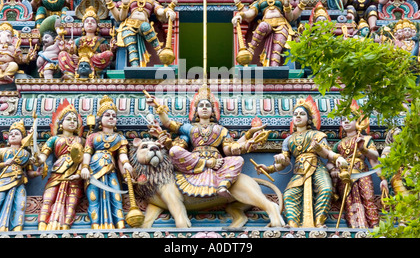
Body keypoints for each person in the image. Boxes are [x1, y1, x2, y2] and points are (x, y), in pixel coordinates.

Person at [146, 84, 264, 198]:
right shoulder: (190, 128)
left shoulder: (220, 129)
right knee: (174, 150)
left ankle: (223, 185)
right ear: (195, 111)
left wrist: (247, 141)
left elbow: (229, 150)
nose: (204, 107)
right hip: (196, 162)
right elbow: (168, 123)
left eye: (207, 106)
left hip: (218, 163)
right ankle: (206, 165)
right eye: (201, 105)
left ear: (213, 111)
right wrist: (158, 107)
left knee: (238, 160)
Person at [255, 96, 348, 227]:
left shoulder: (317, 135)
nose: (298, 116)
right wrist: (269, 168)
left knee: (326, 189)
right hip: (299, 169)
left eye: (302, 114)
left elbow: (327, 153)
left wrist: (337, 157)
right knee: (288, 195)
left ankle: (319, 222)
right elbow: (285, 162)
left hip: (316, 167)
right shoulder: (288, 140)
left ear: (309, 119)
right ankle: (293, 225)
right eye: (295, 114)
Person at [232, 0, 307, 67]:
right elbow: (250, 14)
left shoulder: (280, 0)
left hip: (282, 25)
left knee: (277, 50)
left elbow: (291, 17)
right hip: (266, 23)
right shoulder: (259, 2)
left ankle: (273, 69)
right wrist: (240, 12)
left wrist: (299, 4)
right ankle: (251, 50)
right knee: (262, 26)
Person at [104, 0, 177, 67]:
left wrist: (169, 9)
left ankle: (159, 51)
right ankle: (134, 66)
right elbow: (120, 17)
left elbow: (159, 11)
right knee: (131, 44)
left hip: (143, 24)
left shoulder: (151, 2)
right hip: (129, 25)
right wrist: (111, 2)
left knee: (146, 26)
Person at [80, 95, 133, 229]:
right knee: (94, 198)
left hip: (110, 169)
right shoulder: (92, 136)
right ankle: (96, 226)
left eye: (114, 116)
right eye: (107, 115)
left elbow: (122, 155)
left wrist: (126, 164)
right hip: (93, 169)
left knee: (115, 196)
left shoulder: (119, 138)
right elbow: (87, 153)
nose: (111, 118)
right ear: (100, 119)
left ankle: (119, 225)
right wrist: (84, 167)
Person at [36, 99, 85, 230]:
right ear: (61, 124)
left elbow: (86, 159)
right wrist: (38, 159)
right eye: (69, 119)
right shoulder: (54, 139)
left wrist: (80, 172)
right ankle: (42, 223)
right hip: (58, 170)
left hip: (75, 172)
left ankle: (65, 226)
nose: (72, 122)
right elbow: (43, 155)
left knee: (72, 201)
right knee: (48, 198)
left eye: (75, 120)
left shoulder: (82, 140)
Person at [327, 113, 383, 228]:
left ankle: (375, 227)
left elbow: (375, 157)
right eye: (343, 120)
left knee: (368, 198)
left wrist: (363, 149)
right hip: (345, 175)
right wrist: (333, 169)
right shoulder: (338, 144)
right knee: (350, 202)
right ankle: (357, 228)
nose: (346, 122)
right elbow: (329, 161)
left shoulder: (365, 140)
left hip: (362, 172)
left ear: (358, 122)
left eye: (350, 119)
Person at [0, 120, 40, 232]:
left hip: (19, 182)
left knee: (20, 204)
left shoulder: (26, 154)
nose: (13, 135)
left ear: (23, 138)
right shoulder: (1, 151)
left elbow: (29, 173)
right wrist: (4, 163)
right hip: (3, 181)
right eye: (11, 134)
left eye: (17, 134)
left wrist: (36, 173)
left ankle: (17, 228)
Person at [58, 0, 113, 79]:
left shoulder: (101, 40)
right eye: (87, 22)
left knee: (109, 54)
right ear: (83, 26)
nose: (90, 23)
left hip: (94, 63)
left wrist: (112, 48)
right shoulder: (78, 40)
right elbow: (72, 53)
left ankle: (93, 71)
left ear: (97, 26)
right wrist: (66, 48)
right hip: (78, 65)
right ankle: (71, 74)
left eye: (93, 22)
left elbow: (107, 53)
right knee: (62, 54)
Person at [36, 15, 62, 79]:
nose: (44, 39)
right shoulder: (44, 48)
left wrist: (57, 28)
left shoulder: (55, 46)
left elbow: (60, 35)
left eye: (47, 37)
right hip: (44, 65)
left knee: (47, 72)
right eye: (43, 38)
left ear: (54, 39)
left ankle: (49, 85)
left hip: (51, 63)